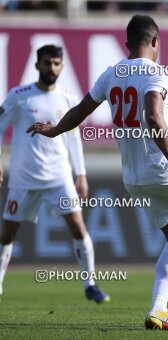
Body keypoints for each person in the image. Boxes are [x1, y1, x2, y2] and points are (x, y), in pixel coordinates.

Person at [27, 15, 168, 331]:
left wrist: (55, 130)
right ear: (155, 42)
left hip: (135, 179)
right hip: (164, 165)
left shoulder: (111, 74)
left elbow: (81, 111)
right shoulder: (157, 72)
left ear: (127, 44)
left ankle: (159, 310)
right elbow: (153, 115)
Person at [0, 45, 109, 303]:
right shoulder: (19, 96)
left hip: (59, 177)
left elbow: (74, 139)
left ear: (62, 66)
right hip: (24, 179)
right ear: (37, 65)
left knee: (78, 227)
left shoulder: (69, 98)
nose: (52, 68)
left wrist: (80, 174)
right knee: (7, 234)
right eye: (47, 63)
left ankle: (90, 284)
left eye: (57, 63)